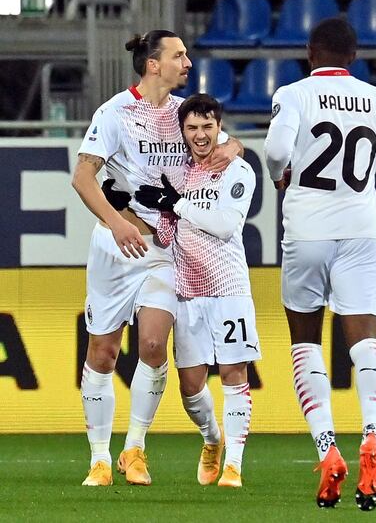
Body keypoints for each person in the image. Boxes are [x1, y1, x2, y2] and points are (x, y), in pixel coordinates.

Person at [263, 17, 376, 510]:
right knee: (366, 344)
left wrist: (281, 175)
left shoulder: (293, 94)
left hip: (307, 230)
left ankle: (327, 450)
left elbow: (273, 150)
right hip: (360, 230)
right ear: (354, 57)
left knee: (305, 341)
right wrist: (368, 163)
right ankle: (372, 437)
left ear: (309, 52)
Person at [72, 30, 239, 487]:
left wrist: (233, 147)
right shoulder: (114, 113)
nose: (187, 62)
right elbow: (83, 178)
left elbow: (226, 142)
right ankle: (99, 458)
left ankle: (134, 449)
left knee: (151, 345)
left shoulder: (184, 113)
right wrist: (117, 221)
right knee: (102, 353)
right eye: (178, 55)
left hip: (164, 247)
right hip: (115, 245)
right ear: (153, 64)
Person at [134, 94, 259, 488]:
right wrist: (156, 211)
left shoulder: (237, 169)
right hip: (188, 290)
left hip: (229, 287)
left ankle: (235, 465)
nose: (200, 135)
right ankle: (212, 439)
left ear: (220, 126)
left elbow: (224, 225)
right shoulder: (179, 173)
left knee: (235, 373)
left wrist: (178, 204)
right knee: (190, 386)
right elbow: (171, 233)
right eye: (192, 128)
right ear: (183, 131)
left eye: (208, 127)